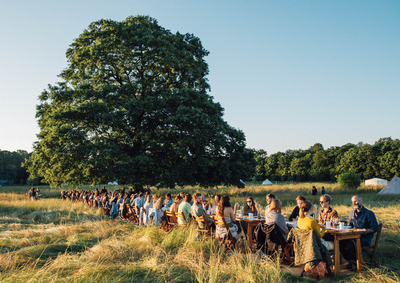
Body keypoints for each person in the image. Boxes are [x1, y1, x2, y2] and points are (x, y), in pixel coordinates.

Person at [340, 195, 379, 269]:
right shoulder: (352, 212)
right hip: (352, 236)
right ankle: (351, 260)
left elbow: (376, 228)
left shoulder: (369, 213)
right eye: (353, 202)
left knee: (350, 245)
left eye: (356, 201)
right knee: (340, 243)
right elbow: (349, 225)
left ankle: (355, 263)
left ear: (361, 201)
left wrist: (366, 230)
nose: (354, 203)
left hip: (364, 238)